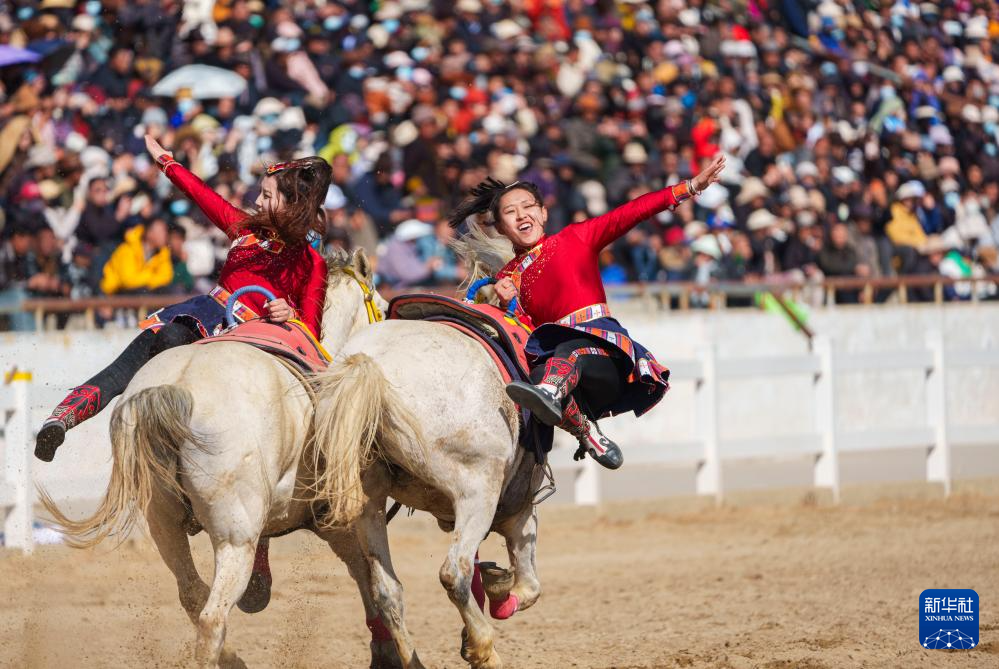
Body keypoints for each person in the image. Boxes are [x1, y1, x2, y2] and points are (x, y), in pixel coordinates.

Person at [35, 135, 332, 462]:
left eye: (266, 196)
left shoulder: (311, 263)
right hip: (203, 312)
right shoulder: (245, 229)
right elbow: (200, 194)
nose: (258, 202)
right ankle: (60, 421)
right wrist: (166, 162)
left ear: (291, 204)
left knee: (174, 337)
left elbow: (311, 334)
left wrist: (289, 313)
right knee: (132, 359)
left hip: (248, 337)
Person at [448, 154, 725, 468]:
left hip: (604, 357)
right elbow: (525, 336)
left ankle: (550, 392)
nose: (521, 215)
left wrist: (690, 187)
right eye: (510, 212)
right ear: (500, 227)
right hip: (563, 375)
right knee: (536, 373)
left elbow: (632, 212)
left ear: (543, 212)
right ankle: (586, 431)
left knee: (568, 352)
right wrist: (505, 304)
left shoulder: (576, 237)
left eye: (527, 207)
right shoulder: (507, 276)